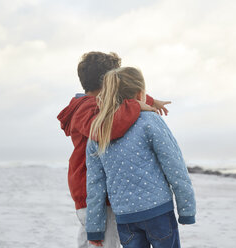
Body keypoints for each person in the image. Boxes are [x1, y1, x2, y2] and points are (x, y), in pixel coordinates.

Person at [57, 52, 171, 248]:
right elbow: (105, 129)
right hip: (93, 191)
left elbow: (125, 96)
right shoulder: (86, 108)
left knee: (91, 241)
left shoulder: (98, 103)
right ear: (108, 81)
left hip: (98, 190)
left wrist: (150, 100)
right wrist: (136, 105)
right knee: (103, 242)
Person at [86, 67, 196, 248]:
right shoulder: (149, 120)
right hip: (159, 212)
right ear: (140, 93)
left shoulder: (98, 131)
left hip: (125, 218)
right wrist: (187, 209)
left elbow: (95, 185)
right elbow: (175, 166)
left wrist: (95, 229)